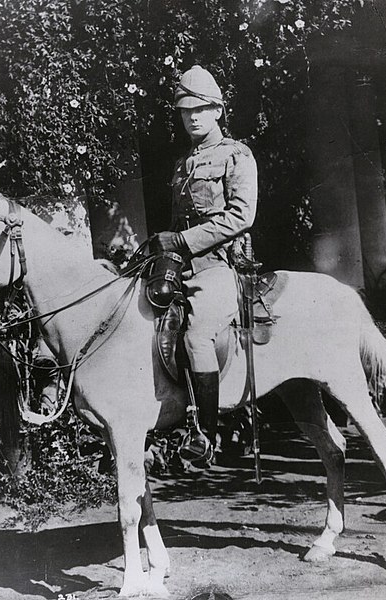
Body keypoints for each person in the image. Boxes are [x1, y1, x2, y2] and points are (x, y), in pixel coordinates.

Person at [153, 65, 258, 464]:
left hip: (220, 266)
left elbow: (241, 216)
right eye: (185, 111)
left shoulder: (236, 155)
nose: (193, 116)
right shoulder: (181, 164)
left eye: (201, 109)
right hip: (183, 266)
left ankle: (204, 434)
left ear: (217, 111)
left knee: (197, 336)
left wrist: (183, 241)